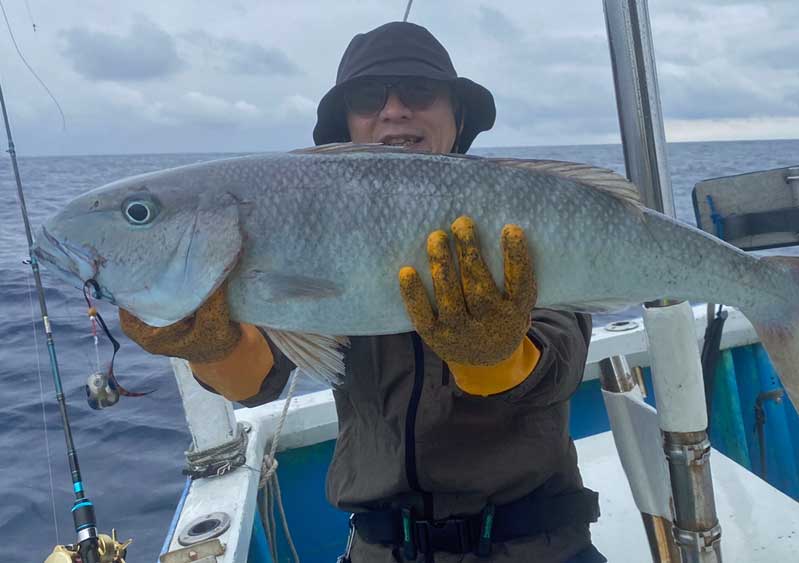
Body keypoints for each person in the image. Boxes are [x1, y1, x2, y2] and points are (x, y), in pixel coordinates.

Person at [120, 21, 605, 563]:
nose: (394, 110)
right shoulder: (305, 222)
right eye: (368, 97)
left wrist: (497, 357)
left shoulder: (517, 210)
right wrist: (212, 348)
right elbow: (261, 381)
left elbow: (562, 359)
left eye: (419, 91)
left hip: (539, 543)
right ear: (345, 125)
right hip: (380, 546)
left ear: (459, 116)